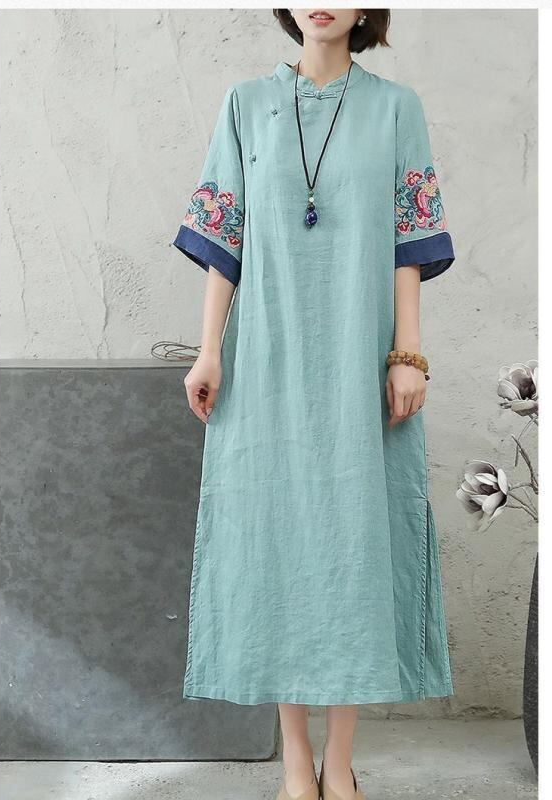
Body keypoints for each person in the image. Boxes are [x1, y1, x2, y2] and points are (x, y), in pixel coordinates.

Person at [171, 8, 455, 800]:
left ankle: (340, 760)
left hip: (359, 356)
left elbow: (408, 243)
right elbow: (224, 241)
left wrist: (406, 354)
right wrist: (209, 349)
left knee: (352, 544)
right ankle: (296, 762)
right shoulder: (244, 104)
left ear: (366, 9)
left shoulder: (395, 108)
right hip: (266, 357)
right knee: (278, 543)